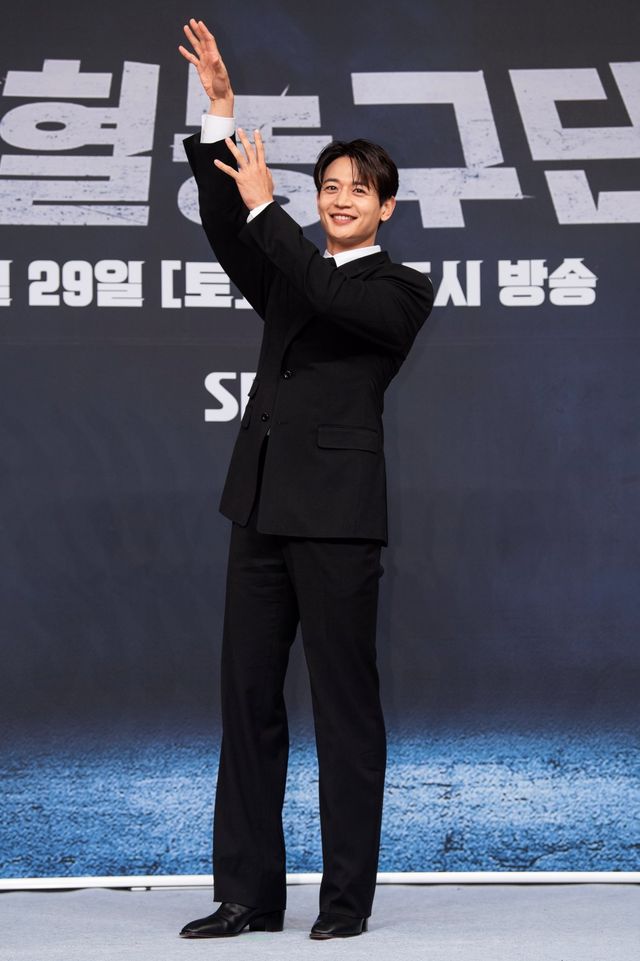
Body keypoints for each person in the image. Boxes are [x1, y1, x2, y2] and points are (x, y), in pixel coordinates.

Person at [177, 18, 433, 941]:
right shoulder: (291, 270)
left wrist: (268, 211)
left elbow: (326, 291)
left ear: (386, 208)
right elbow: (230, 231)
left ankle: (345, 901)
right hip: (259, 507)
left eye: (356, 190)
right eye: (328, 187)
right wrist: (219, 115)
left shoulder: (401, 290)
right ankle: (247, 894)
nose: (339, 199)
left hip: (337, 519)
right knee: (247, 703)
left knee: (344, 711)